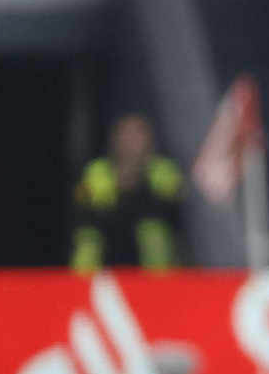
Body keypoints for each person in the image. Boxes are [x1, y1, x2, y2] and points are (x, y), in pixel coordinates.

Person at [71, 114, 185, 272]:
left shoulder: (163, 170)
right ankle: (80, 287)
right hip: (109, 243)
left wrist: (140, 175)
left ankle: (159, 287)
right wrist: (121, 180)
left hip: (145, 255)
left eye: (138, 134)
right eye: (126, 133)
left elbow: (175, 197)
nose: (131, 141)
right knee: (88, 239)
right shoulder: (96, 170)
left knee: (153, 234)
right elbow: (85, 204)